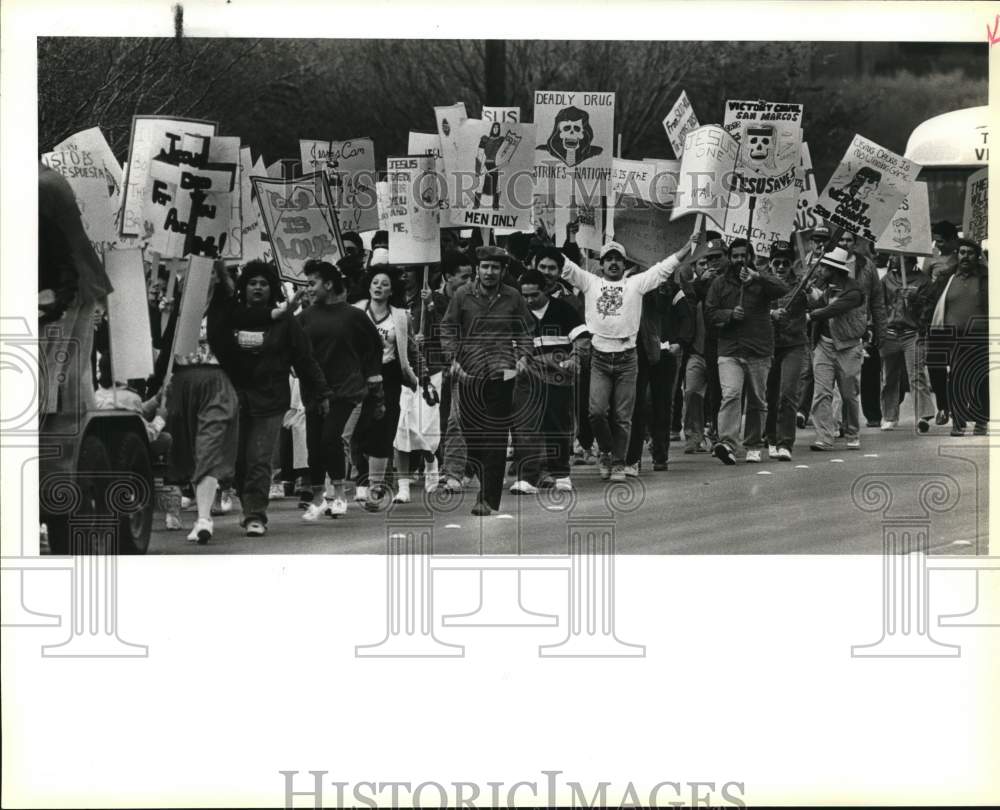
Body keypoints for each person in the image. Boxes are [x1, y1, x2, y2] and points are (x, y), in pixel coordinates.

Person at [166, 260, 287, 544]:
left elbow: (252, 316)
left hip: (216, 383)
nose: (194, 276)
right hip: (182, 383)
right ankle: (195, 507)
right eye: (190, 270)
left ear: (215, 278)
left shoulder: (226, 306)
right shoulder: (177, 307)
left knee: (209, 446)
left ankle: (204, 518)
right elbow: (163, 348)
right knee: (187, 451)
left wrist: (280, 312)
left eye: (205, 271)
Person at [560, 238, 696, 480]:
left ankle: (619, 463)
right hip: (599, 359)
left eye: (618, 260)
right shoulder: (590, 283)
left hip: (627, 360)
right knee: (596, 412)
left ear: (625, 265)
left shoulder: (636, 285)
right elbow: (566, 265)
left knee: (624, 417)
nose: (613, 263)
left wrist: (686, 248)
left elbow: (664, 267)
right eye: (608, 259)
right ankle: (605, 450)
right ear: (600, 265)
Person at [227, 261, 331, 536]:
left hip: (270, 400)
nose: (258, 288)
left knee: (260, 458)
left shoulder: (286, 322)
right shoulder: (232, 317)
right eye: (252, 283)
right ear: (244, 287)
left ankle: (255, 514)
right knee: (238, 459)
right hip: (234, 398)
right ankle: (246, 501)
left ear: (271, 288)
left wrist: (321, 392)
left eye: (263, 283)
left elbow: (305, 358)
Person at [440, 245, 534, 515]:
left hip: (502, 373)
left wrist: (524, 357)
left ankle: (487, 499)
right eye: (485, 267)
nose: (489, 272)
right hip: (468, 374)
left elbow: (525, 330)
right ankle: (485, 480)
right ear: (478, 270)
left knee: (494, 436)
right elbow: (447, 327)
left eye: (495, 267)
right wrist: (452, 358)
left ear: (503, 271)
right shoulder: (462, 295)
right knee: (473, 437)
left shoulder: (513, 297)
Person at [297, 260, 384, 521]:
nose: (309, 289)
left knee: (330, 438)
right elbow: (292, 348)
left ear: (329, 284)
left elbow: (374, 349)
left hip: (346, 389)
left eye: (312, 284)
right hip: (314, 391)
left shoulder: (354, 316)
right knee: (313, 445)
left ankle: (339, 493)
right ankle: (317, 498)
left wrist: (373, 384)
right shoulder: (304, 317)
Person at [704, 238, 789, 464]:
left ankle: (753, 443)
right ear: (730, 258)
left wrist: (758, 276)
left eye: (744, 255)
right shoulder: (719, 284)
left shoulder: (761, 279)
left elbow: (782, 288)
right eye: (735, 256)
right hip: (730, 349)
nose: (739, 260)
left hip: (758, 349)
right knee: (731, 394)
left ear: (751, 257)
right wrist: (730, 315)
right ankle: (728, 443)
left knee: (757, 400)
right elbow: (710, 314)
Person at [509, 268, 590, 494]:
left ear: (545, 290)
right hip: (527, 378)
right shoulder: (518, 315)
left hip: (558, 378)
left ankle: (561, 473)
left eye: (534, 295)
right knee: (526, 427)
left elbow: (582, 340)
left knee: (558, 425)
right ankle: (527, 478)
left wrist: (574, 358)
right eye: (525, 296)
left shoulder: (564, 310)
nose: (529, 300)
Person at [353, 270, 420, 505]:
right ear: (369, 286)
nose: (379, 287)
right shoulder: (356, 311)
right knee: (358, 429)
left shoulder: (401, 316)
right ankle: (360, 478)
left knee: (383, 429)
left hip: (389, 375)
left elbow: (411, 350)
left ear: (392, 290)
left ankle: (375, 484)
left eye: (385, 284)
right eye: (375, 283)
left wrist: (421, 377)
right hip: (359, 375)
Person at [624, 267, 692, 475]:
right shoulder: (630, 282)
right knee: (638, 404)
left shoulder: (672, 289)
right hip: (637, 352)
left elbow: (686, 318)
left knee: (662, 404)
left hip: (664, 353)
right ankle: (633, 458)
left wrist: (679, 342)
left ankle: (660, 454)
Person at [805, 248, 868, 451]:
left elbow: (834, 309)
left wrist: (812, 316)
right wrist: (808, 292)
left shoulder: (854, 291)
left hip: (848, 347)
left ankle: (852, 432)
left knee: (849, 394)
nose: (820, 270)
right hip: (824, 345)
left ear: (834, 269)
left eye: (824, 267)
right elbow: (819, 303)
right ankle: (824, 435)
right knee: (821, 392)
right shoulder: (829, 287)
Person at [927, 239, 989, 436]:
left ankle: (981, 420)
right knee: (955, 377)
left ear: (977, 256)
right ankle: (958, 421)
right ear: (957, 255)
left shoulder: (987, 279)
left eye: (970, 253)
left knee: (981, 379)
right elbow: (928, 301)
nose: (965, 256)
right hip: (951, 336)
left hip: (980, 336)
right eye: (962, 252)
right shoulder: (946, 278)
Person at [678, 238, 725, 454]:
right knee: (692, 392)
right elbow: (687, 297)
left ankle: (717, 434)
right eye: (704, 262)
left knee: (720, 396)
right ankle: (693, 436)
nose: (710, 266)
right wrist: (702, 283)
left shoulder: (729, 285)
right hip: (697, 352)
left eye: (715, 260)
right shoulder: (694, 288)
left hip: (721, 350)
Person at [879, 255, 936, 433]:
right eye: (894, 257)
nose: (895, 260)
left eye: (902, 259)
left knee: (916, 374)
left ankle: (922, 415)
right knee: (889, 377)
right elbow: (879, 304)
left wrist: (916, 299)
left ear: (912, 262)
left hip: (913, 333)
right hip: (890, 332)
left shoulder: (924, 281)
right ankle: (889, 416)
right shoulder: (887, 279)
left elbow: (931, 307)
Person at [764, 241, 809, 460]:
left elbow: (819, 305)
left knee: (788, 393)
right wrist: (771, 313)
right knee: (770, 395)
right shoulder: (762, 283)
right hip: (768, 345)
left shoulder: (802, 283)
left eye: (785, 263)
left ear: (792, 264)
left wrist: (814, 293)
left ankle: (785, 443)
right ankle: (771, 438)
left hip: (794, 344)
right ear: (770, 263)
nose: (781, 267)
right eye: (776, 262)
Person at [838, 231, 887, 428]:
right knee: (842, 375)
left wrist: (880, 328)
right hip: (838, 325)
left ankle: (873, 414)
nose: (845, 243)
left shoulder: (867, 265)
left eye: (848, 240)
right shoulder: (829, 262)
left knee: (870, 373)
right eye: (841, 239)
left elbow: (877, 298)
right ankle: (841, 420)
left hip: (865, 326)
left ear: (855, 243)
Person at [435, 251, 475, 492]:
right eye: (464, 277)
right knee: (442, 423)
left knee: (457, 421)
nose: (469, 282)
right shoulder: (428, 301)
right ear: (448, 277)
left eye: (471, 276)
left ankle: (454, 472)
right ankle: (453, 468)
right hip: (435, 370)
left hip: (467, 367)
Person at [924, 220, 960, 424]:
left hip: (957, 319)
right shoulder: (930, 260)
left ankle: (955, 405)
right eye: (935, 241)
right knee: (935, 363)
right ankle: (943, 406)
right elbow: (924, 286)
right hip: (936, 318)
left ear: (953, 239)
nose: (937, 245)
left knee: (957, 365)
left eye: (941, 241)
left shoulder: (965, 256)